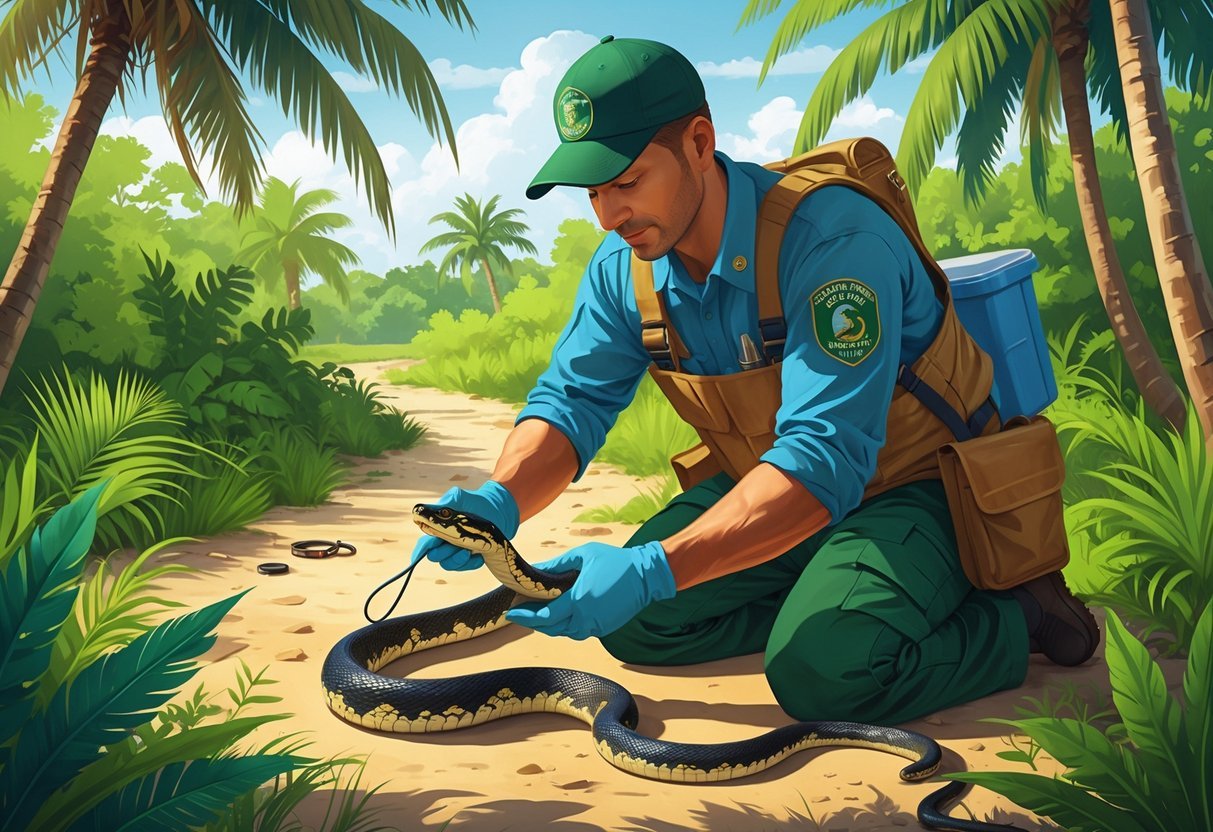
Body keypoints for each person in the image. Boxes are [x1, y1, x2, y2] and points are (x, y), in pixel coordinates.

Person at [408, 35, 1099, 726]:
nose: (608, 215)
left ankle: (1012, 617)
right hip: (774, 490)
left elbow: (823, 459)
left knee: (821, 672)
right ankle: (829, 591)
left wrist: (659, 569)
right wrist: (499, 500)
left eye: (625, 182)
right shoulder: (627, 270)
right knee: (636, 625)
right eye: (593, 192)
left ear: (699, 142)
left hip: (916, 487)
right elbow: (573, 402)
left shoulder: (831, 241)